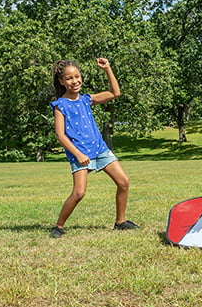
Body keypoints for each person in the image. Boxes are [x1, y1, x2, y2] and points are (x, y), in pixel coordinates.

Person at [49, 58, 138, 238]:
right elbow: (60, 135)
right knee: (79, 193)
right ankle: (58, 226)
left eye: (77, 76)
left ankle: (120, 222)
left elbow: (115, 92)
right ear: (61, 81)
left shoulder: (87, 100)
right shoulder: (60, 106)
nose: (74, 81)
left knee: (124, 182)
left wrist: (107, 68)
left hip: (100, 150)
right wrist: (78, 154)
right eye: (69, 78)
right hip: (80, 154)